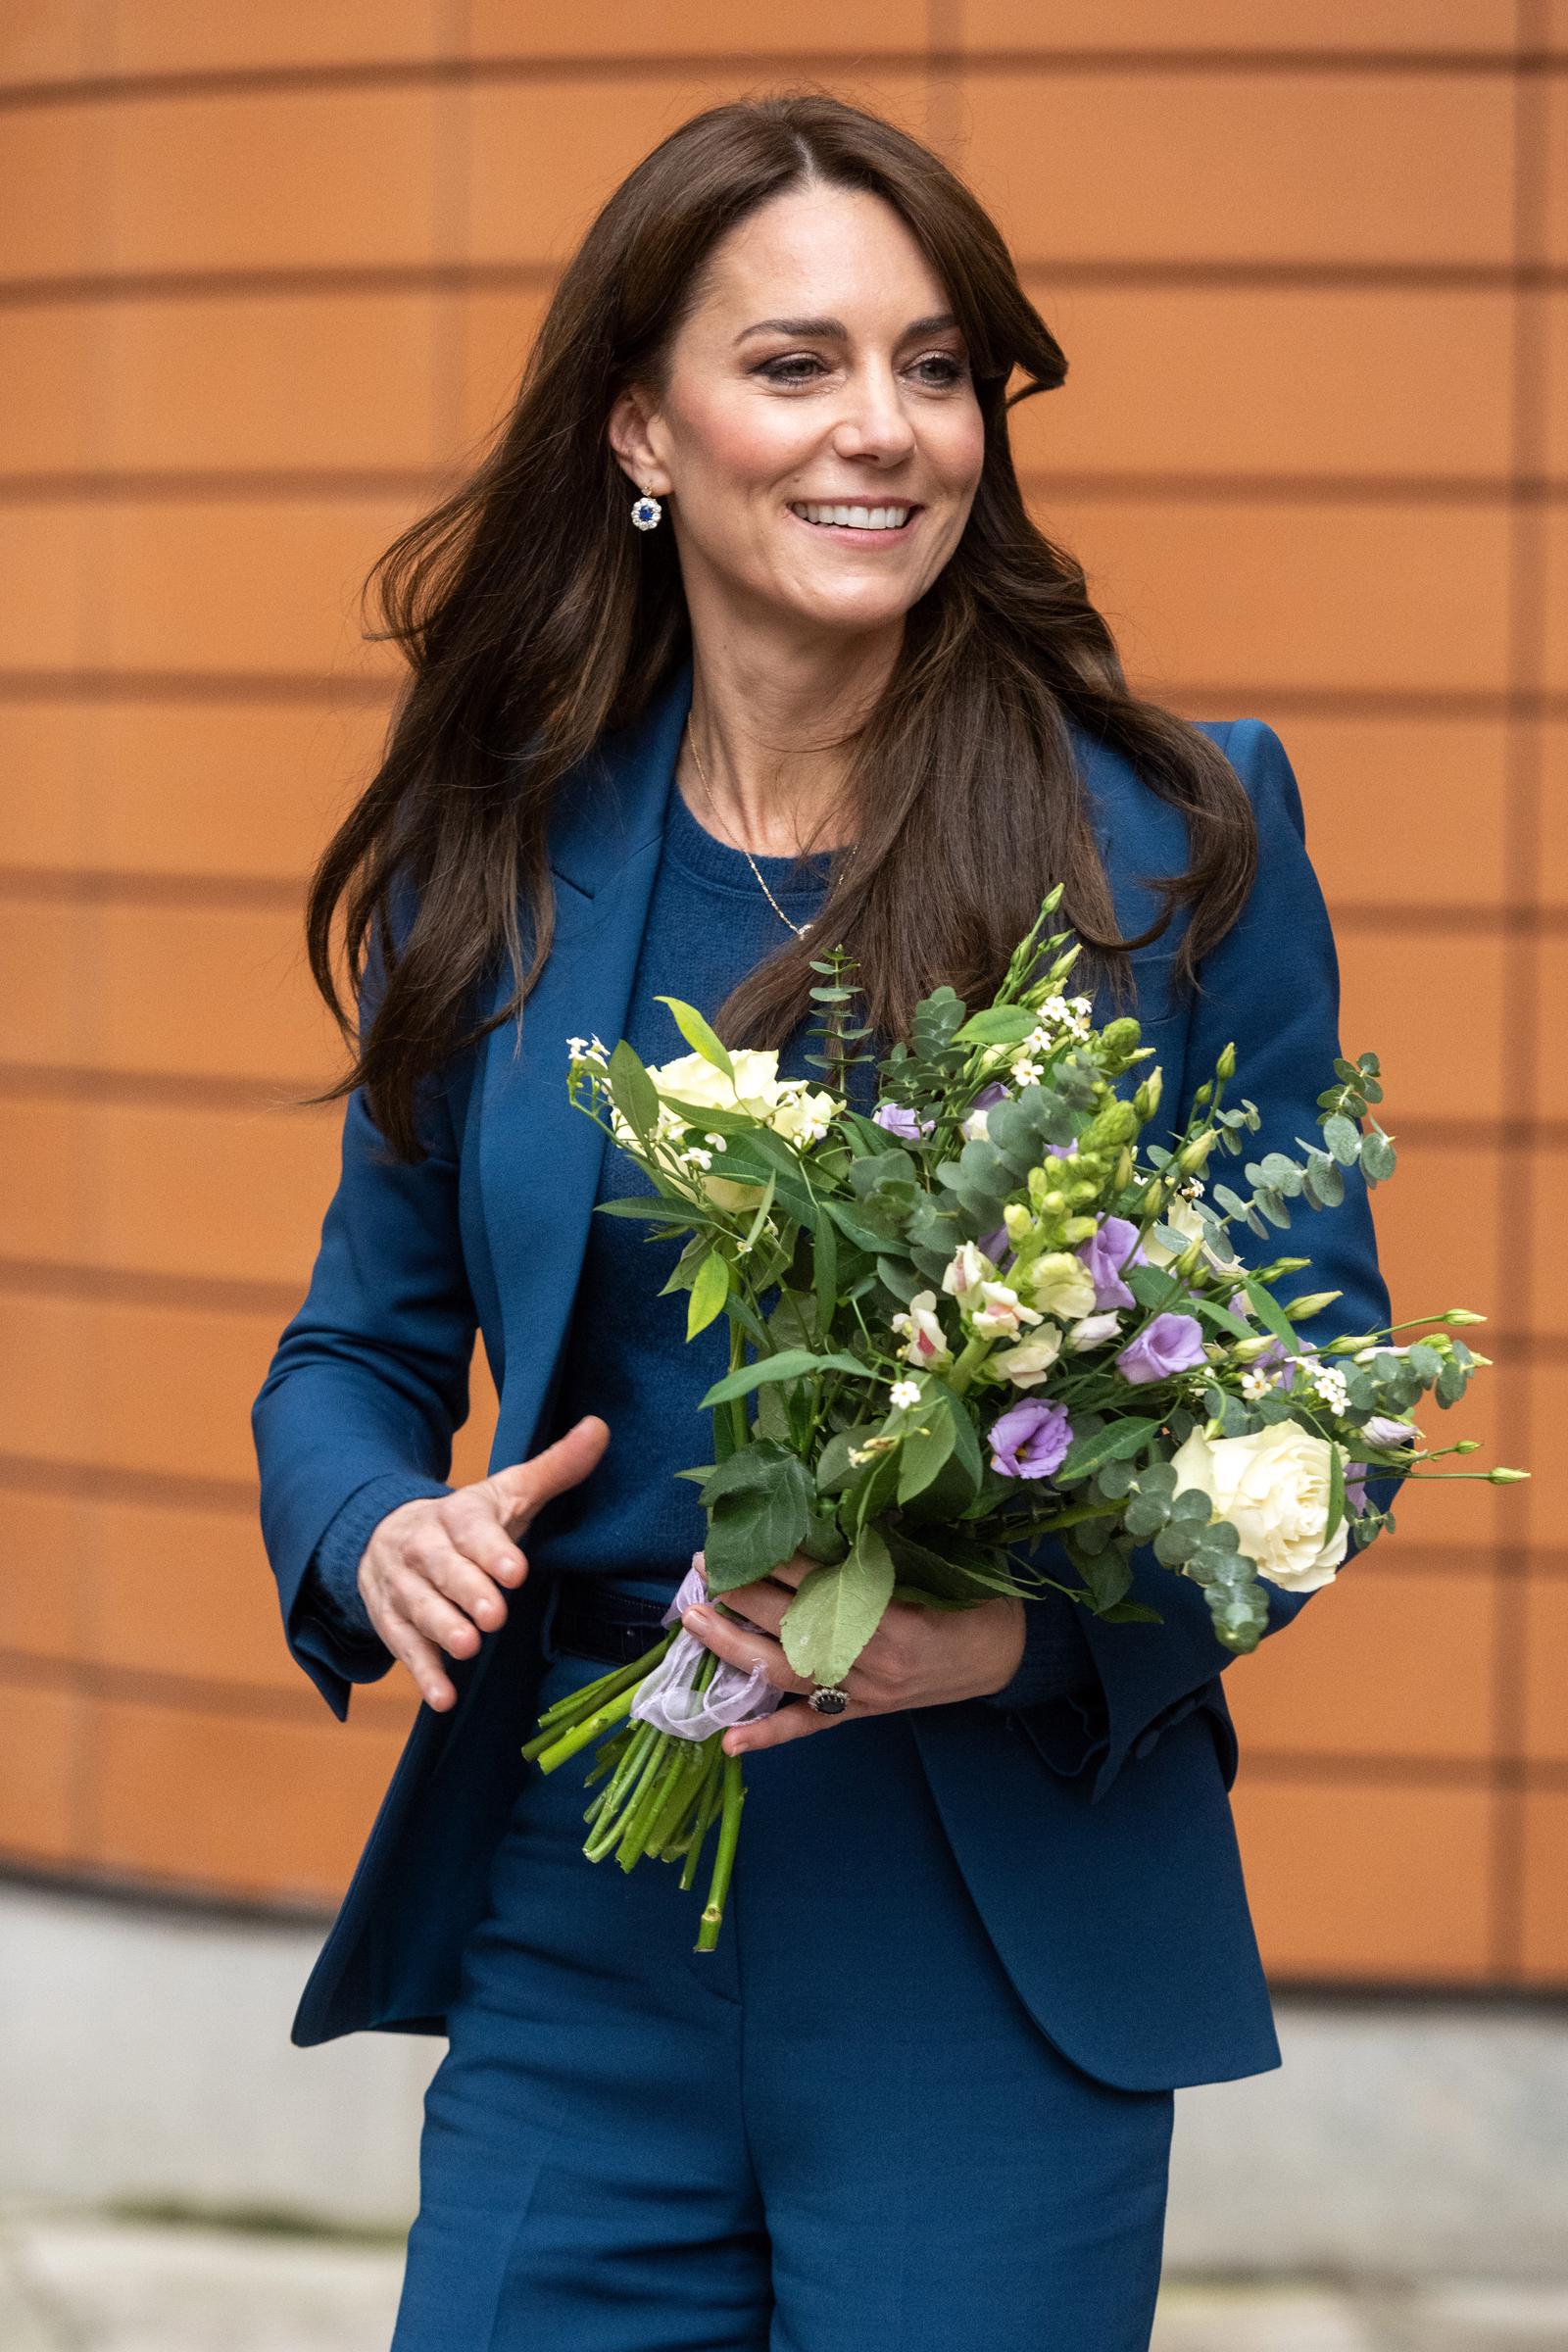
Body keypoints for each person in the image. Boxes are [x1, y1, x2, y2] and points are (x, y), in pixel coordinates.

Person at [251, 91, 1399, 2352]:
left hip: (988, 1927)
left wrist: (1027, 1645)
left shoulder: (1170, 836)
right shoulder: (486, 863)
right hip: (587, 1898)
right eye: (794, 365)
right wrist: (377, 1529)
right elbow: (351, 1359)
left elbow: (1323, 1411)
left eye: (935, 365)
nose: (883, 429)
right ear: (638, 427)